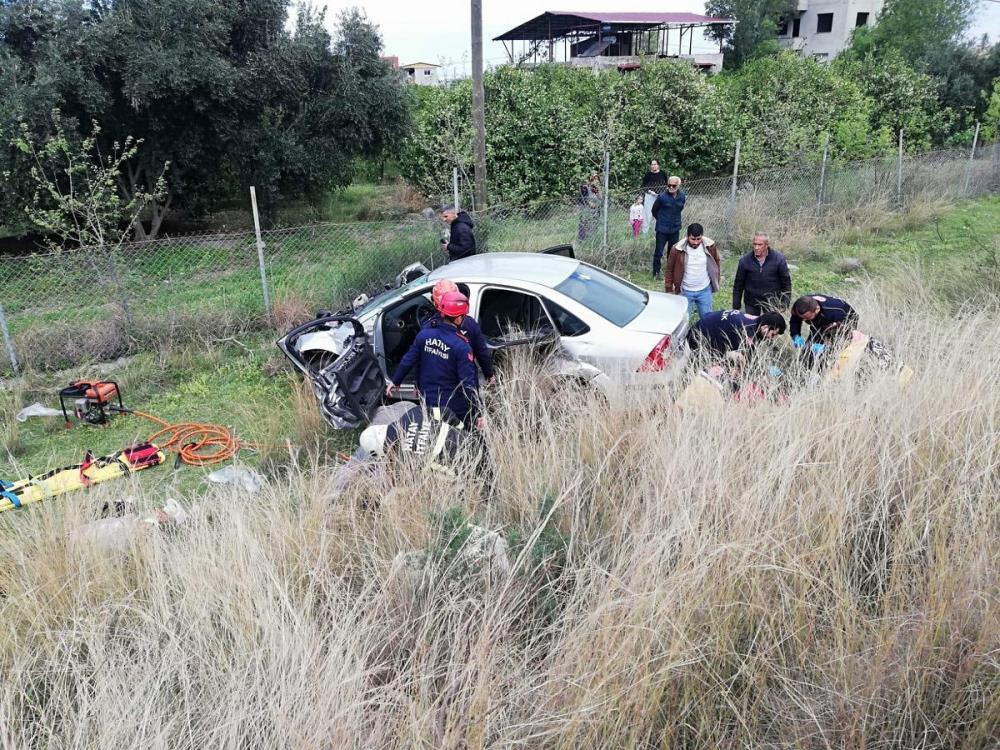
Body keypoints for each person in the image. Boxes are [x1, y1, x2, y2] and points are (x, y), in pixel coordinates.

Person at [387, 291, 481, 426]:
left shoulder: (424, 334)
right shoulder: (461, 347)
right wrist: (478, 413)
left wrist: (395, 381)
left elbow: (408, 360)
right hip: (453, 406)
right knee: (463, 436)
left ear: (442, 312)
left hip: (428, 401)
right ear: (459, 319)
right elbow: (469, 385)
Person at [426, 279, 495, 381]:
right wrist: (489, 375)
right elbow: (482, 352)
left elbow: (423, 358)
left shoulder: (428, 327)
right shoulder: (470, 324)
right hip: (467, 378)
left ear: (435, 302)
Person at [665, 222, 721, 321]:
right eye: (693, 239)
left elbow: (716, 263)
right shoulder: (677, 249)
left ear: (702, 237)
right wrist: (669, 289)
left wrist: (716, 280)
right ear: (687, 237)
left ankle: (702, 337)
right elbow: (669, 269)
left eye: (698, 239)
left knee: (708, 321)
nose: (696, 242)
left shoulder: (710, 246)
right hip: (685, 291)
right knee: (683, 322)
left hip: (704, 291)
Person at [687, 309, 786, 360]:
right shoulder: (748, 331)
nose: (772, 339)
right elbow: (747, 358)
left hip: (705, 327)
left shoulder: (757, 320)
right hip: (698, 337)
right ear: (765, 327)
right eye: (773, 335)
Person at [731, 232, 792, 315]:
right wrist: (736, 306)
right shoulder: (745, 261)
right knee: (751, 326)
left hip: (771, 301)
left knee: (771, 325)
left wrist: (784, 304)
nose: (756, 247)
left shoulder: (778, 259)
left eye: (760, 245)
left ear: (767, 245)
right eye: (754, 244)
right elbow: (738, 285)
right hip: (751, 302)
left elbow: (786, 283)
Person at [790, 295, 860, 351]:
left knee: (837, 351)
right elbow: (795, 320)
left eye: (807, 318)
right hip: (819, 320)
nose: (804, 320)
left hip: (845, 320)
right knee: (808, 352)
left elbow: (846, 339)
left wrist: (827, 348)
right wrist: (795, 335)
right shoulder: (801, 305)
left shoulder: (835, 314)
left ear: (817, 310)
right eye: (802, 317)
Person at [650, 176, 685, 280]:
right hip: (662, 229)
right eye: (669, 185)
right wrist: (661, 220)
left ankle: (671, 273)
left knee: (673, 252)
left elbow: (680, 208)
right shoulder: (661, 197)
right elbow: (654, 210)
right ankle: (656, 273)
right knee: (659, 252)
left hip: (675, 228)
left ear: (678, 185)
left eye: (673, 185)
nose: (671, 187)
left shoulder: (682, 196)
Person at [640, 158, 668, 235]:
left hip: (660, 196)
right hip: (650, 196)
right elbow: (643, 186)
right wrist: (650, 191)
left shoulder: (663, 173)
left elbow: (667, 184)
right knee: (648, 214)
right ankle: (645, 233)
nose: (653, 166)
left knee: (659, 213)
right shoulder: (648, 174)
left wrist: (664, 192)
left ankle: (657, 231)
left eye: (655, 164)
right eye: (652, 164)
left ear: (658, 165)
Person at [577, 173, 600, 241]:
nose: (596, 181)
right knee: (584, 225)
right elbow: (581, 198)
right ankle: (582, 240)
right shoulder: (585, 188)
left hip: (595, 212)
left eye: (597, 179)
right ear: (591, 179)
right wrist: (588, 203)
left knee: (594, 226)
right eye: (594, 179)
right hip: (586, 211)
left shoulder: (595, 189)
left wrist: (598, 188)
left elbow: (601, 198)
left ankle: (592, 240)